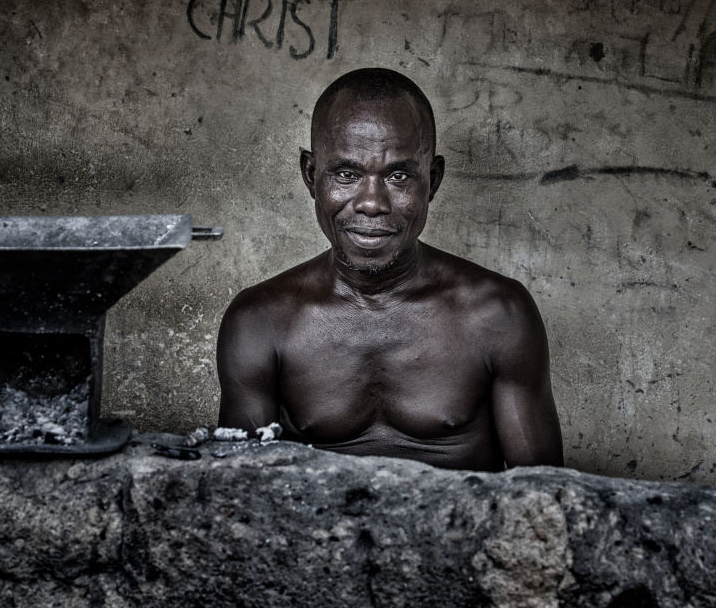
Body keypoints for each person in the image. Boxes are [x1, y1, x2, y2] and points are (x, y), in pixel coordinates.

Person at [216, 68, 563, 471]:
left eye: (398, 176)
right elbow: (242, 490)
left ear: (432, 181)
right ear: (312, 175)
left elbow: (543, 496)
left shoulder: (497, 314)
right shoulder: (260, 321)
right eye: (347, 174)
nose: (371, 203)